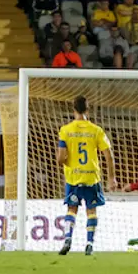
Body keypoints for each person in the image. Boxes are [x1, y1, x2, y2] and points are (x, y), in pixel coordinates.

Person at [56, 95, 117, 256]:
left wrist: (69, 160)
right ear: (88, 110)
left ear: (73, 109)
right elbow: (109, 155)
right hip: (92, 177)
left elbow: (61, 158)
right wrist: (112, 178)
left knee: (71, 209)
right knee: (91, 211)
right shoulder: (96, 130)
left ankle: (68, 238)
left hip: (73, 178)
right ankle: (89, 243)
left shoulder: (65, 130)